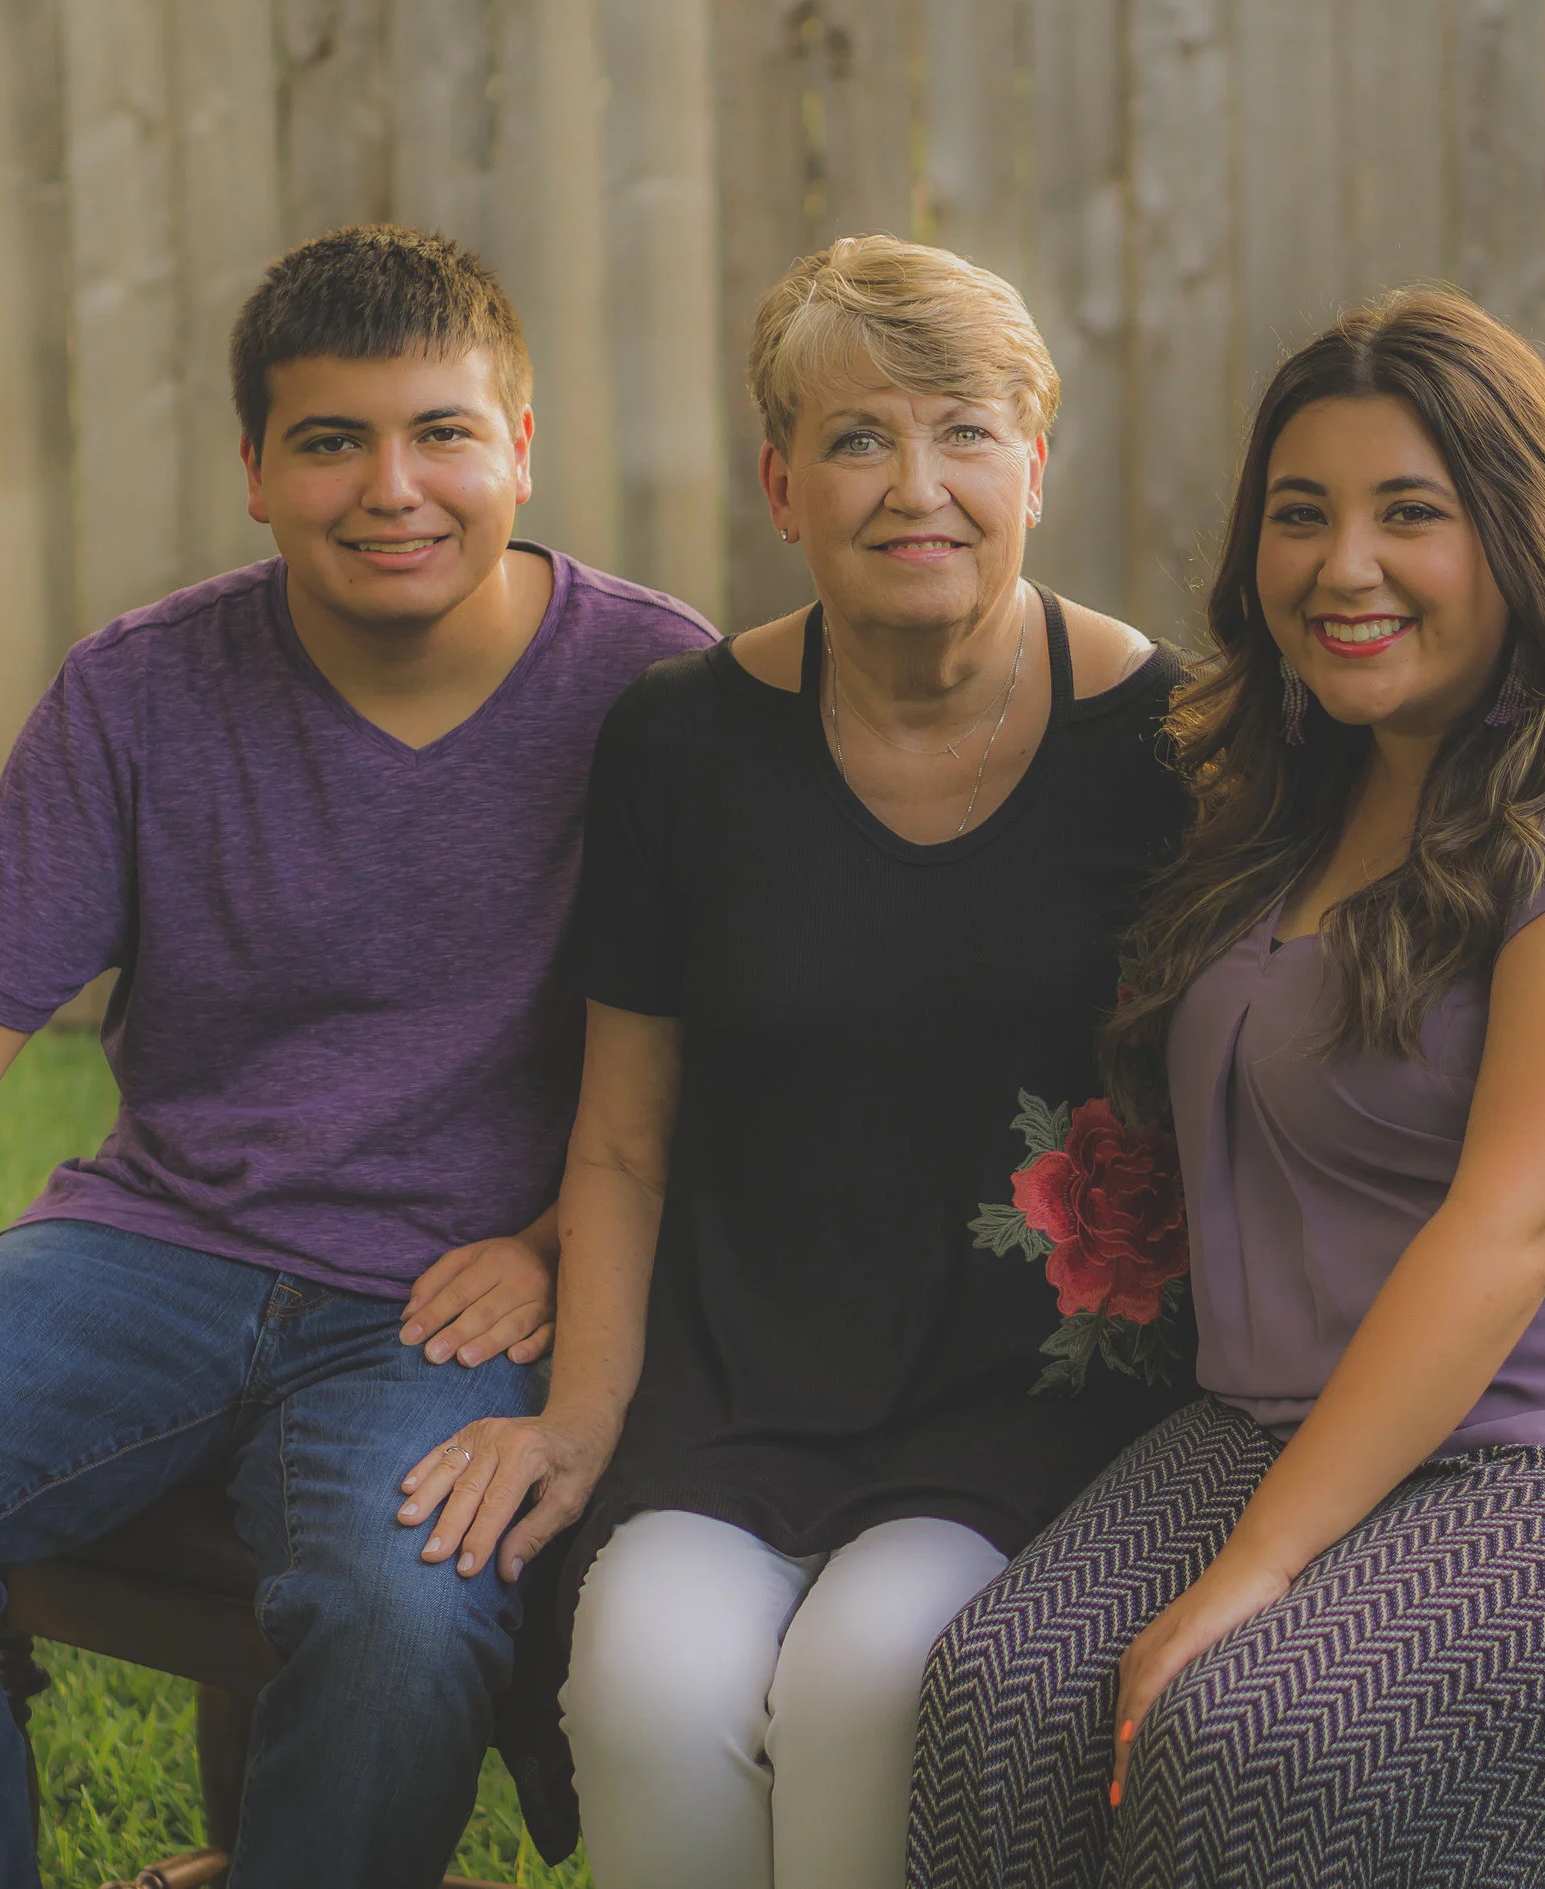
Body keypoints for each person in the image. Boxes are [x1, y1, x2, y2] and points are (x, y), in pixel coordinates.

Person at [909, 289, 1545, 1889]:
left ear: (1526, 536)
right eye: (1300, 516)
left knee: (1263, 1744)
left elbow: (1511, 1228)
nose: (1345, 567)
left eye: (1415, 514)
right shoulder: (1276, 817)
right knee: (1002, 1701)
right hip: (1312, 1420)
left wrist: (1256, 1573)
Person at [0, 224, 715, 1889]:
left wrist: (556, 1245)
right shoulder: (137, 692)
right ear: (255, 470)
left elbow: (729, 1058)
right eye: (331, 442)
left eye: (443, 434)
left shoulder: (654, 689)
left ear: (521, 449)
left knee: (401, 1621)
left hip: (448, 1297)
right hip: (151, 1244)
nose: (391, 488)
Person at [395, 235, 1195, 1889]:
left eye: (966, 433)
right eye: (856, 440)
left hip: (1025, 1402)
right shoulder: (681, 745)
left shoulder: (1176, 751)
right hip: (738, 1385)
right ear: (780, 484)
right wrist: (580, 1421)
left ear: (1036, 468)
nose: (918, 487)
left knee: (864, 1689)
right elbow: (621, 1143)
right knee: (638, 1684)